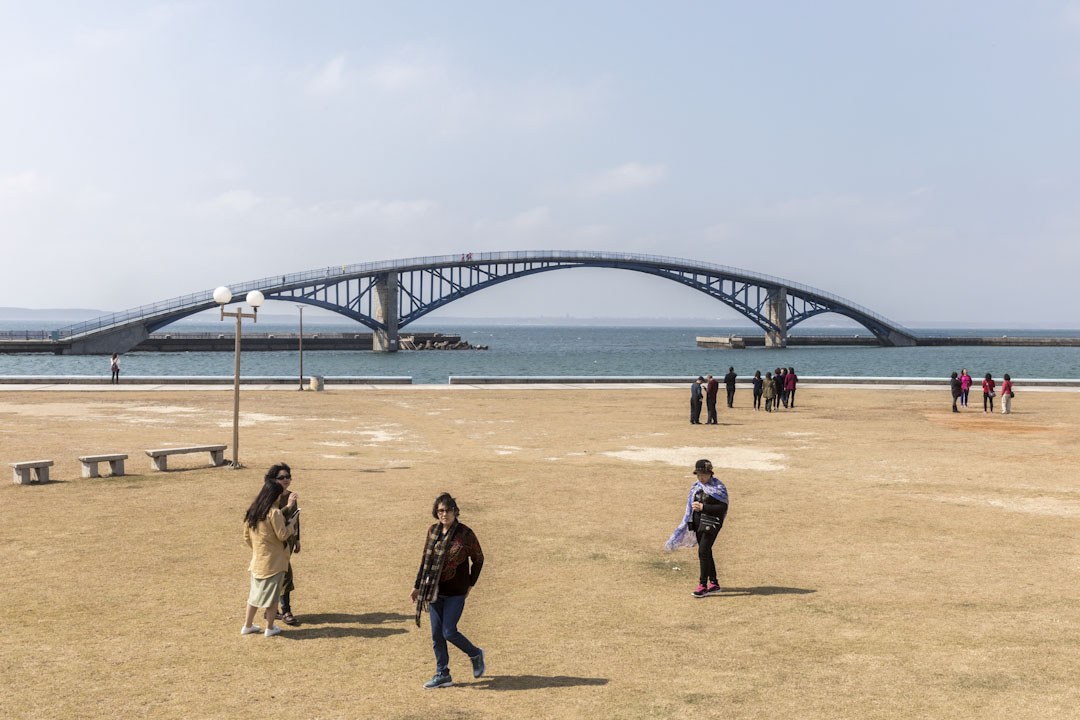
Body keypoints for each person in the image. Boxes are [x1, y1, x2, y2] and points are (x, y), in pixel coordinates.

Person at [411, 493, 485, 689]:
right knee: (437, 635)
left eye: (448, 510)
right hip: (434, 591)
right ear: (437, 512)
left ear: (455, 511)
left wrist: (470, 584)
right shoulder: (432, 531)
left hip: (456, 592)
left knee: (449, 631)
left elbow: (478, 559)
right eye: (441, 510)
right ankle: (442, 674)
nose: (445, 514)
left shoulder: (465, 534)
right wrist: (417, 586)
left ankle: (475, 653)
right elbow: (425, 561)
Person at [241, 480, 298, 637]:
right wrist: (291, 524)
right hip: (274, 563)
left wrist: (259, 549)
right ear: (275, 496)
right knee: (273, 598)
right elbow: (282, 535)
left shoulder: (253, 511)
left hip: (258, 561)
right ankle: (270, 627)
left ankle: (247, 625)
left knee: (253, 596)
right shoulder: (274, 512)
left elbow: (246, 537)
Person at [665, 459, 729, 598]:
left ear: (710, 473)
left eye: (704, 475)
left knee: (703, 552)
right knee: (706, 552)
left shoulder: (718, 487)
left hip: (711, 525)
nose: (701, 477)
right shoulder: (696, 487)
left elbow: (722, 508)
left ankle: (702, 586)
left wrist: (703, 507)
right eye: (699, 475)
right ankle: (714, 583)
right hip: (698, 524)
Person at [267, 463, 301, 626]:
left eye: (288, 477)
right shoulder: (270, 497)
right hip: (276, 542)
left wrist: (298, 539)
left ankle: (273, 610)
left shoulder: (291, 496)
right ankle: (285, 611)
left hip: (288, 541)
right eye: (281, 477)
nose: (286, 480)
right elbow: (274, 518)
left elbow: (296, 518)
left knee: (283, 576)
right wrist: (288, 506)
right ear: (273, 479)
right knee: (283, 576)